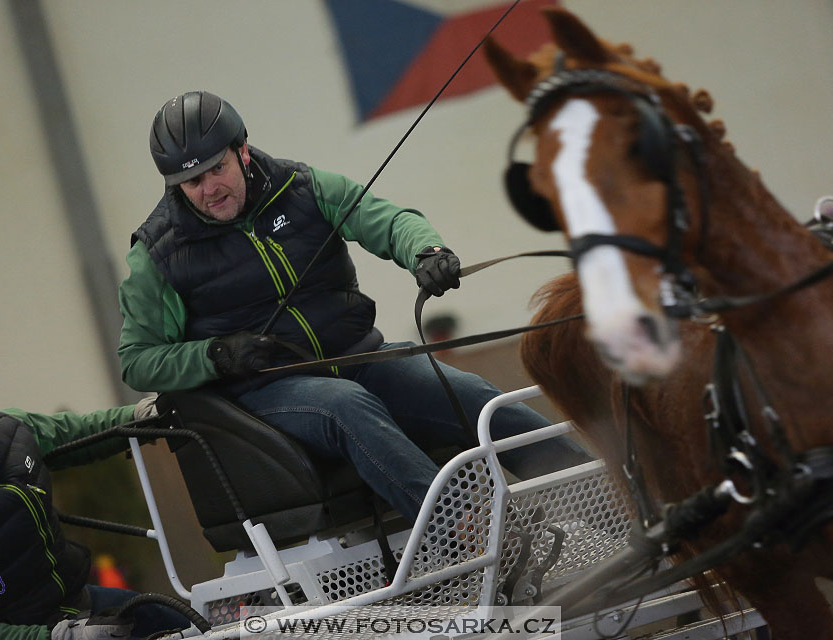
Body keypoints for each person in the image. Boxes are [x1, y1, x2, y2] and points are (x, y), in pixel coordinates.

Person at [118, 90, 591, 525]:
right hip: (269, 394)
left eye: (216, 170)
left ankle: (605, 496)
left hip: (360, 358)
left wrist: (426, 253)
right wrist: (216, 355)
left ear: (241, 150)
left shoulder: (301, 187)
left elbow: (386, 220)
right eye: (191, 181)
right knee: (348, 406)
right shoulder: (158, 254)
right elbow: (137, 360)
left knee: (469, 393)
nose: (207, 190)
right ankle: (473, 533)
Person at [0, 352, 187, 640]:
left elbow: (77, 432)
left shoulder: (12, 433)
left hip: (77, 603)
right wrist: (60, 637)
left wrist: (137, 418)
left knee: (180, 624)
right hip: (24, 633)